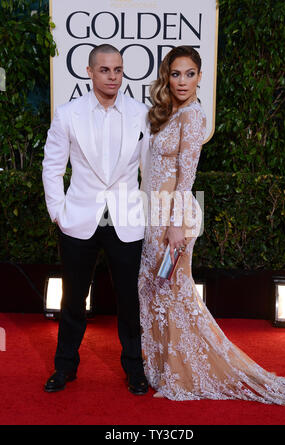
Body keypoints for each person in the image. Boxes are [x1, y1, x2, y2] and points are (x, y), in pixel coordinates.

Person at [138, 45, 285, 406]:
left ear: (200, 76)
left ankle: (182, 376)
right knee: (157, 293)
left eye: (190, 73)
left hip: (173, 219)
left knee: (173, 295)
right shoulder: (167, 112)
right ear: (167, 76)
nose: (182, 81)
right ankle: (165, 369)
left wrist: (175, 226)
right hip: (154, 216)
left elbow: (185, 177)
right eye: (176, 73)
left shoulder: (193, 116)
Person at [42, 44, 149, 395]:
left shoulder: (140, 114)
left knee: (129, 300)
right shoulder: (68, 114)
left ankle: (135, 369)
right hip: (79, 219)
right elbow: (53, 167)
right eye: (105, 70)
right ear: (89, 72)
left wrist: (149, 213)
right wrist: (59, 212)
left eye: (118, 70)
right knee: (73, 298)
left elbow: (150, 171)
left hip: (126, 220)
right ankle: (64, 368)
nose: (113, 77)